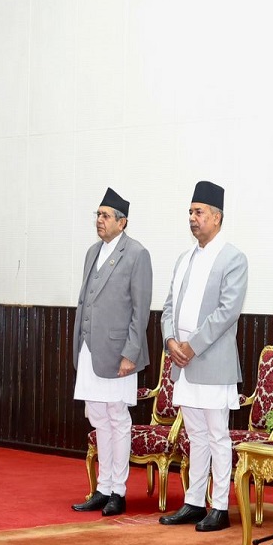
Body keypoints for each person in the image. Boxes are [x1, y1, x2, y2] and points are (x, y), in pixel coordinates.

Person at [158, 181, 248, 533]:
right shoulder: (184, 259)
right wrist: (169, 340)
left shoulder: (233, 258)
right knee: (195, 436)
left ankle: (221, 506)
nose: (193, 219)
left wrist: (191, 346)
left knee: (216, 435)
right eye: (190, 213)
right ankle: (195, 502)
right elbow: (168, 307)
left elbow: (227, 312)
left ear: (217, 217)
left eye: (199, 213)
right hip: (182, 361)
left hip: (211, 361)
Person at [70, 187, 153, 517]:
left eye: (105, 216)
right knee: (98, 417)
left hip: (119, 352)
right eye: (98, 215)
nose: (99, 221)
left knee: (117, 418)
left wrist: (131, 352)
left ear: (123, 222)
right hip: (90, 349)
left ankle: (118, 490)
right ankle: (102, 488)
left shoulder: (136, 254)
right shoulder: (92, 252)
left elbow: (140, 308)